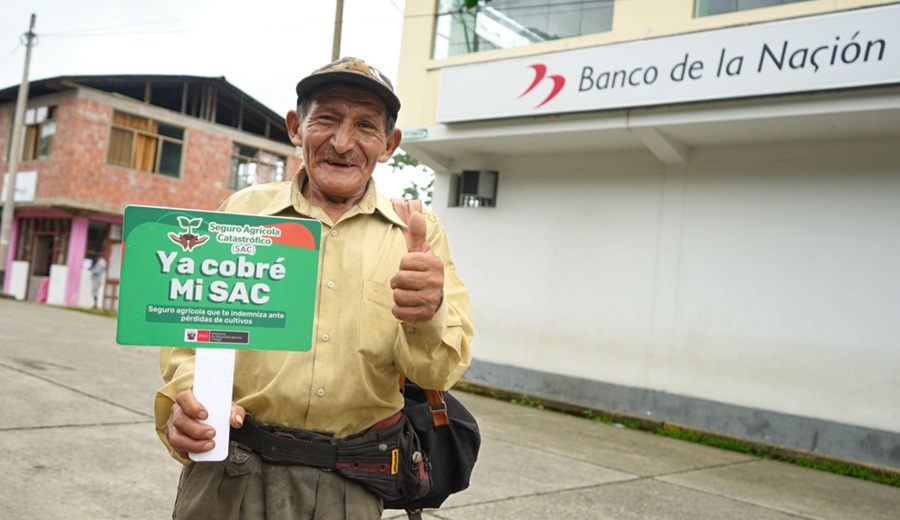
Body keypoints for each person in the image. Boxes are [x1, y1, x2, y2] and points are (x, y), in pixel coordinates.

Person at [154, 57, 474, 520]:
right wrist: (188, 400)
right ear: (295, 127)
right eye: (326, 119)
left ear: (389, 145)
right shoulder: (242, 213)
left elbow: (438, 373)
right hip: (229, 472)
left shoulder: (416, 232)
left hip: (350, 484)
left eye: (366, 125)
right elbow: (194, 335)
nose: (343, 142)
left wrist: (428, 313)